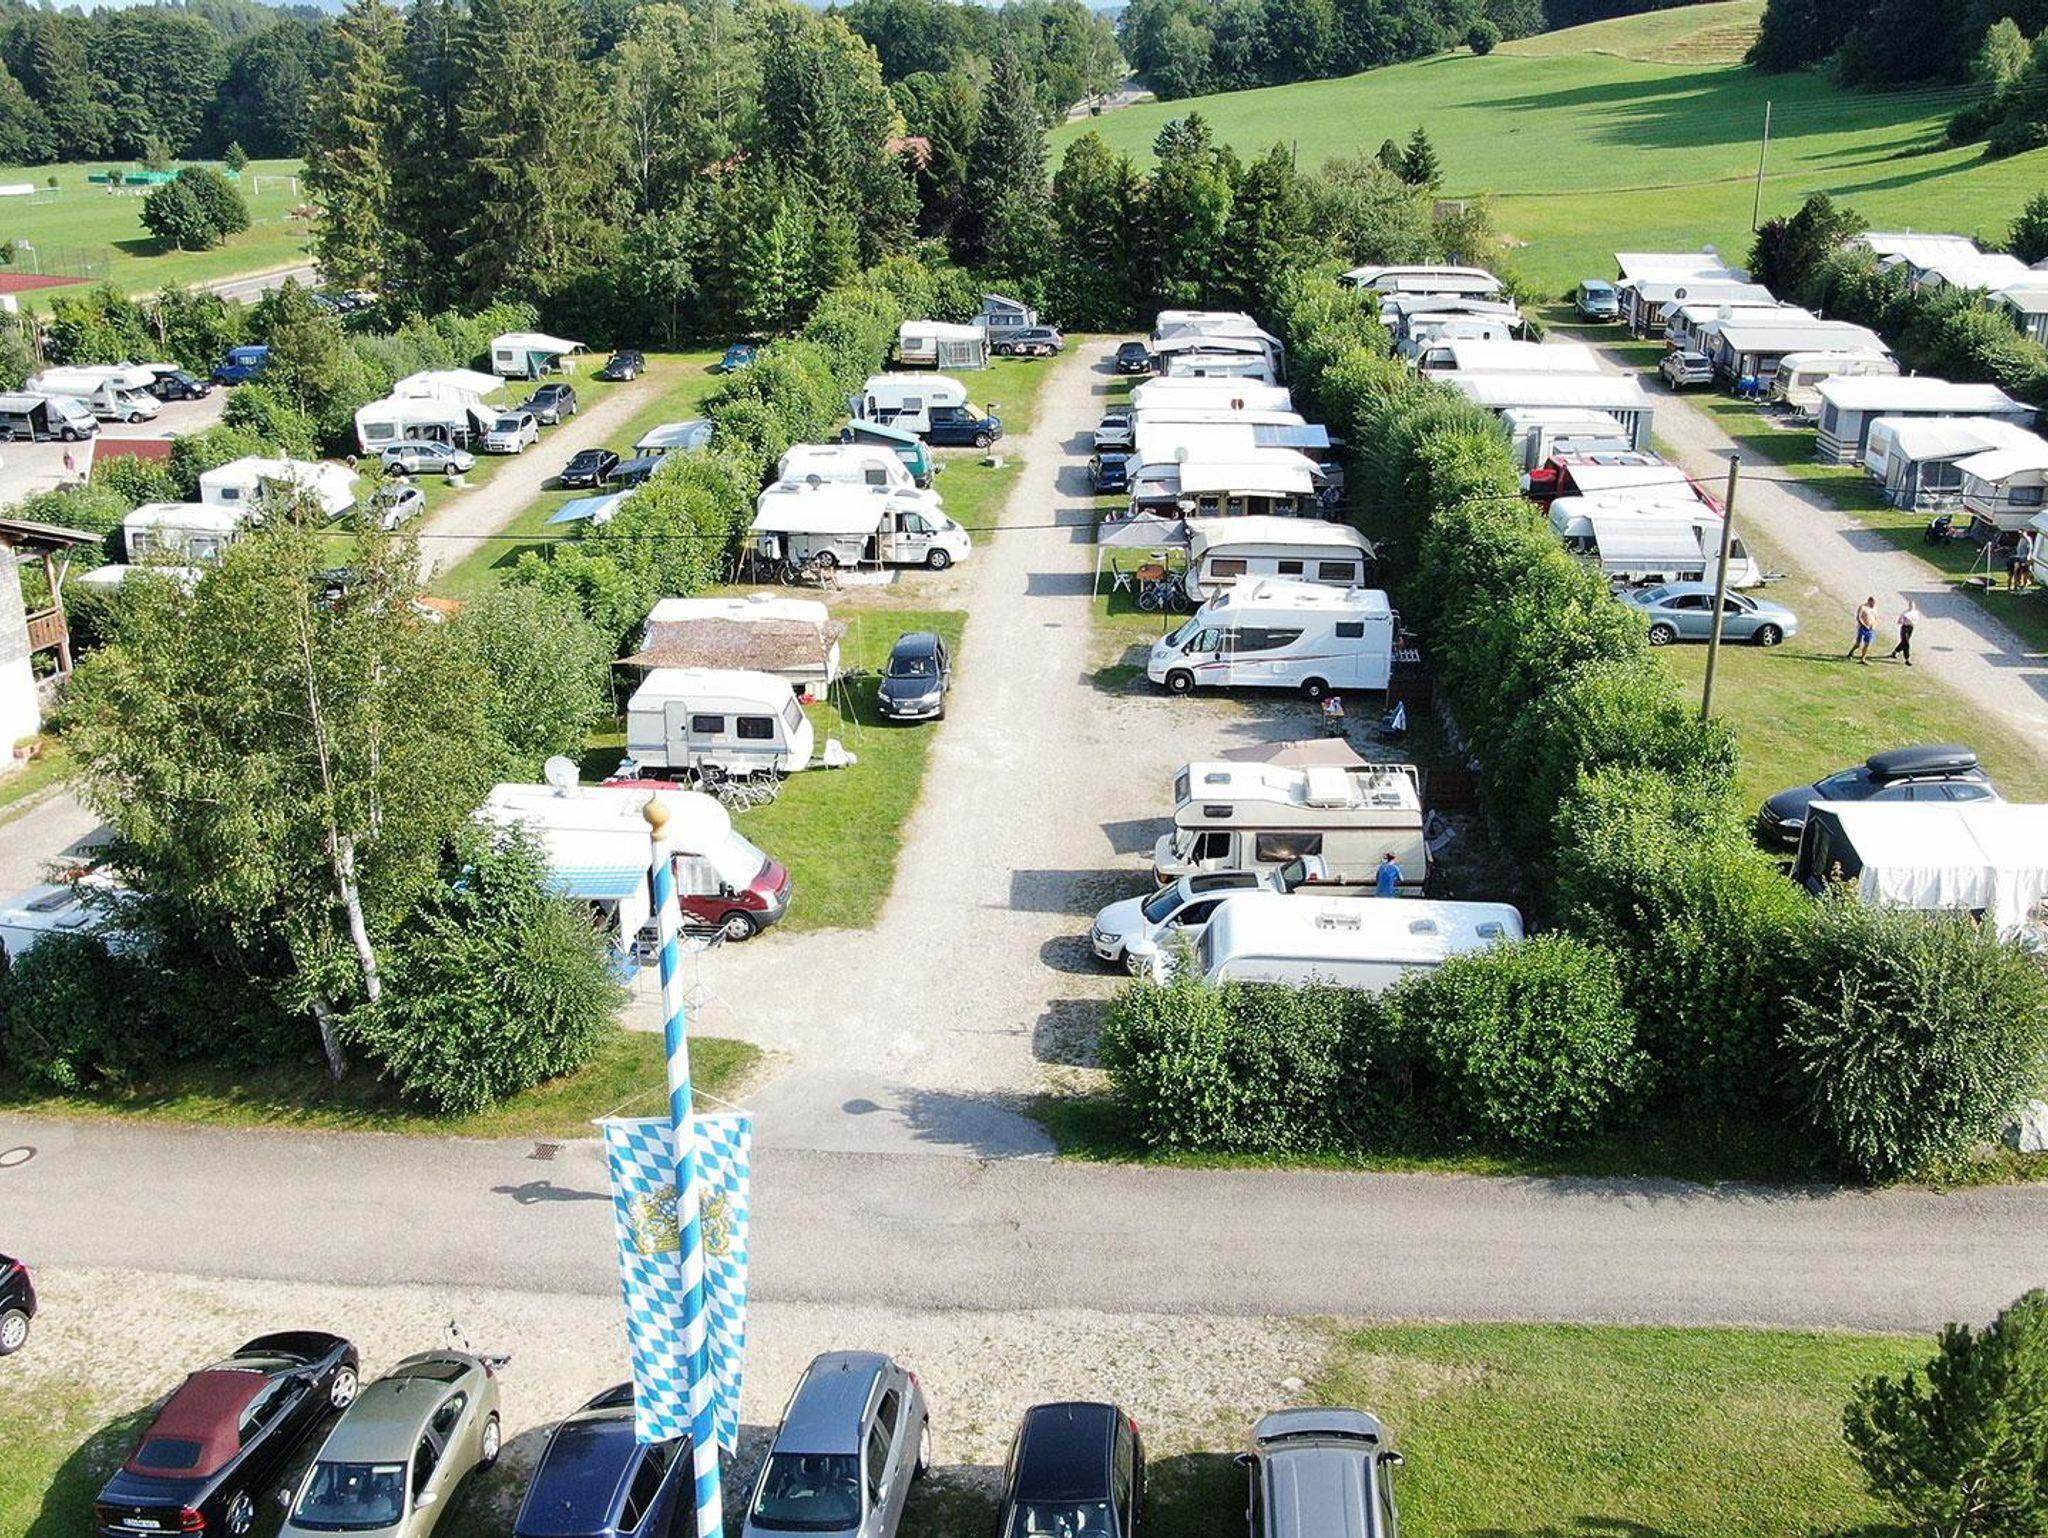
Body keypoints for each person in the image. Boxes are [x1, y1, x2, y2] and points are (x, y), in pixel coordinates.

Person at [1890, 600, 1921, 666]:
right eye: (1911, 605)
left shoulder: (1916, 612)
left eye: (1913, 605)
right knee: (1906, 643)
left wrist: (1913, 621)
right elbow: (1899, 621)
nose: (1912, 606)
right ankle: (1907, 659)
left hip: (1911, 627)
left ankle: (1895, 652)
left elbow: (1917, 620)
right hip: (1905, 628)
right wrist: (1905, 620)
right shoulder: (1905, 613)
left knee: (1904, 642)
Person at [1848, 596, 1878, 663]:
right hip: (1862, 628)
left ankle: (1863, 659)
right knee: (1858, 644)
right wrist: (1864, 625)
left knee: (1867, 644)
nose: (1874, 604)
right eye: (1873, 602)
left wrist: (1874, 625)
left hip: (1871, 629)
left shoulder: (1875, 608)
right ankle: (1851, 652)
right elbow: (1858, 618)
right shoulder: (1862, 607)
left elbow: (1875, 617)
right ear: (1869, 601)